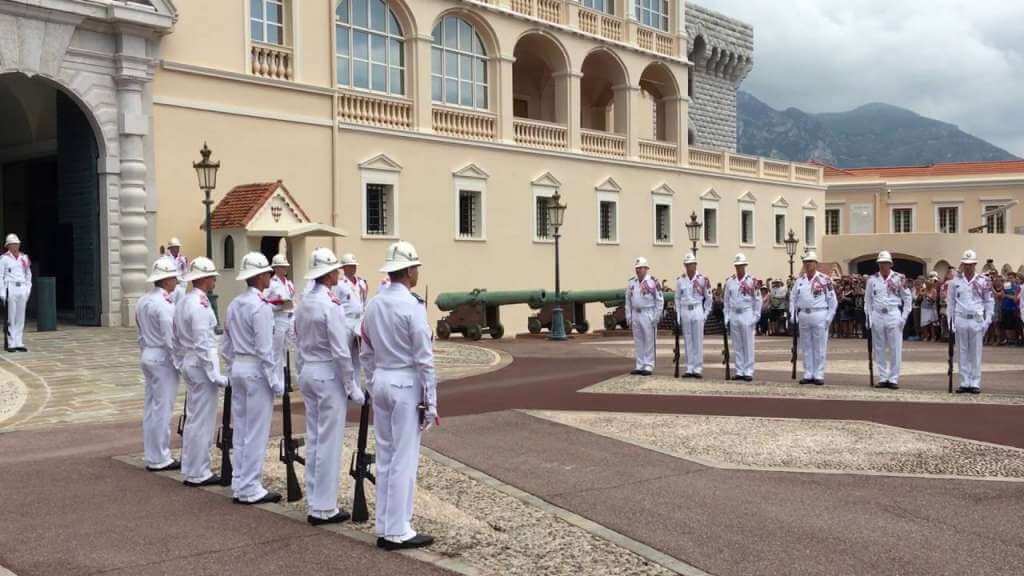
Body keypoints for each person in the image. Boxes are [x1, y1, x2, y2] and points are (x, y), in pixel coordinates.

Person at [360, 241, 436, 551]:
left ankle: (386, 524)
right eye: (415, 266)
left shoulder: (374, 303)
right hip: (405, 383)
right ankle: (398, 529)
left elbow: (365, 348)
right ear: (407, 270)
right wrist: (432, 401)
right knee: (404, 459)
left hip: (382, 379)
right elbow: (424, 358)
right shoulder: (412, 306)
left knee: (386, 456)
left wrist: (370, 380)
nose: (418, 271)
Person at [294, 248, 365, 525]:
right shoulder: (330, 304)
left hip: (309, 371)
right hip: (327, 375)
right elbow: (340, 351)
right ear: (328, 274)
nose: (339, 273)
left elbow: (296, 338)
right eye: (335, 269)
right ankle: (324, 506)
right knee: (329, 442)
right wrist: (351, 385)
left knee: (314, 437)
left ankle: (315, 497)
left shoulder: (305, 302)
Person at [222, 252, 283, 503]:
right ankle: (250, 487)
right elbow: (264, 348)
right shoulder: (261, 307)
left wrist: (231, 366)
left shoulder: (235, 303)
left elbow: (225, 342)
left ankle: (240, 481)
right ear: (259, 276)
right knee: (256, 430)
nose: (270, 276)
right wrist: (274, 380)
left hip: (238, 366)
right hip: (256, 369)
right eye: (267, 272)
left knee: (242, 428)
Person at [174, 257, 228, 487]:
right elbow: (202, 341)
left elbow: (175, 336)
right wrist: (213, 372)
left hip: (190, 361)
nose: (214, 279)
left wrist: (179, 360)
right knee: (202, 420)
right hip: (200, 365)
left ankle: (191, 466)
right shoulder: (199, 304)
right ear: (204, 278)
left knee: (195, 417)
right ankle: (198, 471)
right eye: (212, 276)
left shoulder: (185, 301)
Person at [137, 257, 182, 472]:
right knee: (163, 408)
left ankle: (151, 452)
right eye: (174, 277)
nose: (176, 282)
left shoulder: (143, 300)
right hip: (162, 357)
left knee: (151, 407)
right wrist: (179, 361)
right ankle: (161, 456)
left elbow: (139, 332)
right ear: (166, 280)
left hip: (148, 353)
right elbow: (170, 337)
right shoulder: (164, 304)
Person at [948, 250, 994, 394]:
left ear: (975, 264)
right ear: (962, 264)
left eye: (970, 264)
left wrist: (988, 320)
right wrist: (951, 322)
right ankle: (964, 382)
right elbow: (950, 303)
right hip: (960, 318)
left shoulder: (983, 281)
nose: (968, 267)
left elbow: (989, 301)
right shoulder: (955, 282)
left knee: (975, 353)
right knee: (962, 352)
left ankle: (974, 382)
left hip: (976, 319)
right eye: (965, 264)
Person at [789, 252, 838, 385]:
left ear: (816, 264)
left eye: (810, 261)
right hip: (804, 314)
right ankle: (808, 372)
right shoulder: (799, 281)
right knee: (806, 346)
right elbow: (793, 298)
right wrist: (793, 313)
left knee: (819, 346)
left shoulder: (825, 279)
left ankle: (819, 373)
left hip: (819, 314)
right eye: (806, 262)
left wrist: (829, 318)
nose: (808, 264)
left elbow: (832, 301)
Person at [865, 251, 912, 389]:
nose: (883, 266)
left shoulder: (899, 278)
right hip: (877, 314)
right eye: (880, 263)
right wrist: (868, 317)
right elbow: (867, 300)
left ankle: (893, 378)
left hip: (893, 314)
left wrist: (903, 317)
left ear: (890, 264)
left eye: (885, 263)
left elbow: (907, 298)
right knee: (879, 347)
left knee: (895, 348)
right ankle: (883, 377)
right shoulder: (872, 279)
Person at [674, 253, 712, 378]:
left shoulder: (702, 279)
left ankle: (698, 368)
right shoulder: (680, 280)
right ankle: (689, 367)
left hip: (697, 309)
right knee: (688, 340)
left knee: (698, 340)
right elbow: (677, 299)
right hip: (685, 310)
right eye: (687, 265)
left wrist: (705, 314)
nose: (690, 267)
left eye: (692, 264)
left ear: (696, 265)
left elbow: (708, 298)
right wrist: (678, 315)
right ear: (685, 266)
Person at [724, 253, 761, 381]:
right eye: (737, 266)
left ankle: (748, 371)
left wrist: (755, 316)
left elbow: (758, 300)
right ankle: (739, 370)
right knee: (737, 344)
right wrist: (726, 316)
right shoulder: (730, 282)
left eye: (741, 266)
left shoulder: (752, 281)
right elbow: (726, 301)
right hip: (734, 313)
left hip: (747, 313)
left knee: (748, 343)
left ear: (745, 266)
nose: (739, 268)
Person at [625, 257, 664, 376]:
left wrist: (656, 316)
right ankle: (639, 364)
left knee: (649, 340)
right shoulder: (632, 282)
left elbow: (659, 300)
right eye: (637, 268)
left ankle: (648, 364)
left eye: (641, 268)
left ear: (646, 269)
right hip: (636, 313)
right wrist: (628, 316)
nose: (638, 270)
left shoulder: (653, 282)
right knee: (638, 340)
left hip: (648, 313)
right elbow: (628, 300)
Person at [335, 253, 369, 381]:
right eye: (350, 266)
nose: (353, 268)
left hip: (359, 320)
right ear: (344, 267)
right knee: (346, 355)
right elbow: (335, 303)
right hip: (346, 321)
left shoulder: (361, 282)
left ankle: (356, 385)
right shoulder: (339, 284)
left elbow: (364, 301)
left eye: (354, 265)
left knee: (357, 356)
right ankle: (345, 383)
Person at [265, 253, 295, 374]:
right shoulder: (271, 283)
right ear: (275, 268)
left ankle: (289, 376)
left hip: (290, 316)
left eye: (285, 266)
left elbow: (293, 300)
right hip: (278, 317)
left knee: (291, 348)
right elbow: (264, 302)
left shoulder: (289, 283)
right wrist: (278, 305)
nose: (284, 269)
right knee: (277, 350)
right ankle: (278, 378)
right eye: (281, 266)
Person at [1, 234, 32, 352]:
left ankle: (19, 342)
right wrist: (2, 292)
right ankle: (11, 343)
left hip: (22, 288)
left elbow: (28, 274)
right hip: (11, 287)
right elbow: (0, 276)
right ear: (8, 246)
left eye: (17, 244)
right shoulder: (4, 259)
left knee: (20, 317)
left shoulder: (24, 258)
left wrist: (28, 289)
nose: (15, 246)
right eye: (12, 244)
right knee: (11, 317)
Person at [167, 237, 188, 303]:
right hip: (170, 286)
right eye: (174, 247)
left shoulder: (183, 259)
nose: (176, 249)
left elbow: (185, 273)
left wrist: (184, 285)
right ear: (170, 248)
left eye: (177, 247)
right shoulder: (165, 259)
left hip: (181, 285)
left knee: (180, 305)